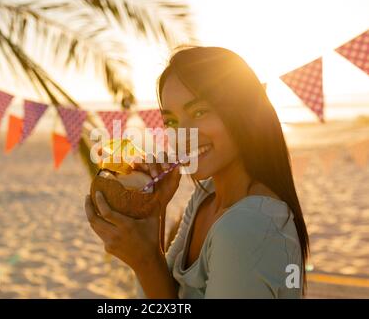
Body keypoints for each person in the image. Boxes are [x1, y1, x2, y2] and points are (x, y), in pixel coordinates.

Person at [85, 46, 309, 298]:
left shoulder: (246, 227)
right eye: (171, 121)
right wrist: (154, 215)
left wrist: (145, 261)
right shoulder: (207, 195)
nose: (183, 134)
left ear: (243, 112)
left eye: (200, 112)